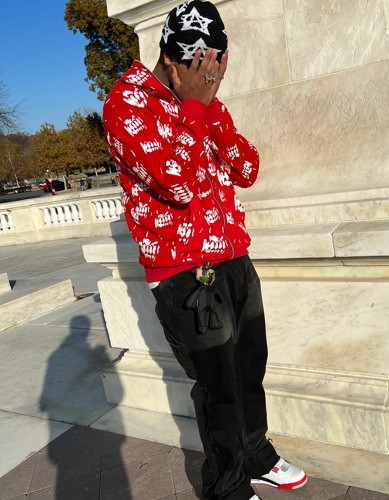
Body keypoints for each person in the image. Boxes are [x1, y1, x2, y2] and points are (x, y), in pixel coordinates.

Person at [103, 1, 307, 499]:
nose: (210, 78)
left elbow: (246, 169)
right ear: (171, 61)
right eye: (200, 69)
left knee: (249, 369)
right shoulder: (125, 105)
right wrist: (194, 108)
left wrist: (209, 108)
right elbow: (175, 183)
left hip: (233, 257)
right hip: (184, 273)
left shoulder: (207, 100)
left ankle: (256, 453)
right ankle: (227, 486)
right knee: (218, 387)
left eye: (216, 68)